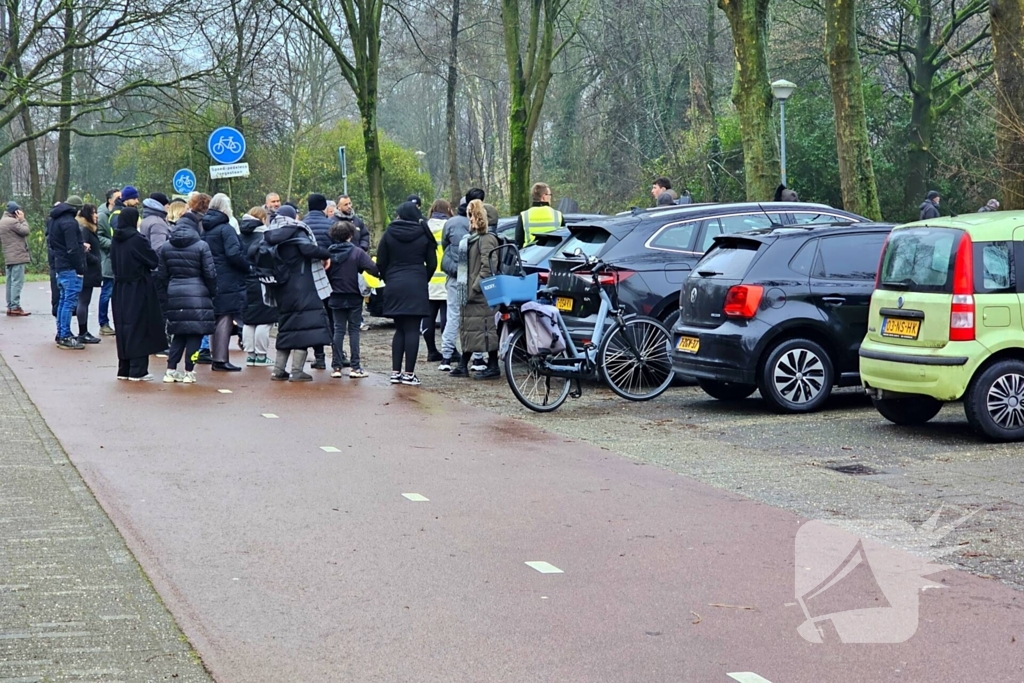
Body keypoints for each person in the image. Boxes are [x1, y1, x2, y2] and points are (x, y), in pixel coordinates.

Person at [262, 205, 332, 381]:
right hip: (302, 286)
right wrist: (326, 253)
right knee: (304, 327)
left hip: (281, 287)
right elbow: (308, 250)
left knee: (286, 327)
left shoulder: (271, 233)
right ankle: (296, 371)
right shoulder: (296, 231)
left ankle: (278, 370)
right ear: (293, 216)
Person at [377, 201, 437, 386]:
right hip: (416, 283)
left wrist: (390, 277)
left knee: (400, 329)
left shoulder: (388, 233)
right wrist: (422, 278)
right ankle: (409, 374)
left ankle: (395, 372)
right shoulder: (424, 233)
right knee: (412, 329)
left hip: (394, 284)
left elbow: (381, 262)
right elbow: (433, 263)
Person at [156, 210, 217, 384]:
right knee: (195, 335)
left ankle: (170, 370)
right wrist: (212, 292)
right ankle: (189, 371)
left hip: (175, 291)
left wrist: (168, 291)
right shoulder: (201, 245)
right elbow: (210, 273)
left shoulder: (167, 246)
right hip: (198, 293)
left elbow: (162, 274)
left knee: (178, 334)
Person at [110, 207, 165, 380]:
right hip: (138, 286)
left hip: (119, 287)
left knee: (123, 326)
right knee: (140, 325)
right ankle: (138, 369)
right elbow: (152, 260)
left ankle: (124, 368)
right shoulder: (136, 239)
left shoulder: (115, 239)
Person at [451, 200, 501, 379]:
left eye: (473, 215)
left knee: (485, 330)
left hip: (481, 294)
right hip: (474, 294)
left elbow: (488, 266)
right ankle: (463, 364)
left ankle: (493, 366)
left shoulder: (487, 239)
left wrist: (474, 287)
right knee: (473, 329)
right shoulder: (474, 238)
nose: (470, 218)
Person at [202, 193, 250, 372]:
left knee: (216, 317)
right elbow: (234, 254)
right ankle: (221, 359)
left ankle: (217, 357)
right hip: (227, 278)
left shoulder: (205, 228)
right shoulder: (226, 228)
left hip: (211, 277)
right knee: (226, 316)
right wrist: (247, 267)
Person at [327, 221, 379, 378]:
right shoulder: (357, 253)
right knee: (354, 331)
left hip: (334, 295)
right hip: (354, 295)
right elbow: (373, 269)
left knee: (338, 329)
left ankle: (336, 367)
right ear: (350, 235)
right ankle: (355, 368)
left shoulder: (328, 253)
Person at [439, 190, 483, 370]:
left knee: (453, 316)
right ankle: (479, 358)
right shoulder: (481, 223)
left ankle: (446, 357)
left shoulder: (450, 223)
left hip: (455, 277)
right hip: (473, 278)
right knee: (475, 318)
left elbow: (444, 245)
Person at [238, 207, 277, 367]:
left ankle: (250, 355)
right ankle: (261, 356)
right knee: (265, 320)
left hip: (244, 280)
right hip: (263, 279)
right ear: (262, 219)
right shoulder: (265, 236)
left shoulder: (240, 235)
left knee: (249, 320)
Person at [48, 195, 87, 349]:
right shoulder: (70, 223)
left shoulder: (54, 220)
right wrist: (80, 267)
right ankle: (65, 335)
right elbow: (72, 248)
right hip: (70, 267)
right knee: (69, 303)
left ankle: (61, 333)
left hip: (59, 265)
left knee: (63, 301)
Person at [304, 193, 335, 369]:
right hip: (329, 277)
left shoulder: (303, 225)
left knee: (315, 315)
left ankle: (320, 356)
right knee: (332, 315)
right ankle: (338, 355)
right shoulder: (331, 225)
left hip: (309, 277)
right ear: (324, 207)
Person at [423, 199, 451, 365]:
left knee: (428, 316)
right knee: (447, 316)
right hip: (447, 277)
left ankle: (431, 350)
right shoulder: (450, 226)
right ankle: (450, 349)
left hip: (428, 278)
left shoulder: (424, 227)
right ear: (448, 210)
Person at [75, 204, 104, 344]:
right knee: (83, 301)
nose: (96, 215)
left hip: (89, 270)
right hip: (88, 271)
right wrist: (95, 259)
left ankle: (83, 331)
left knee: (83, 301)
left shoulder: (87, 229)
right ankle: (83, 332)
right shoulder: (85, 230)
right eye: (94, 213)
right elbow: (83, 250)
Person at [0, 201, 31, 316]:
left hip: (8, 255)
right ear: (16, 211)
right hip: (17, 256)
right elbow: (25, 231)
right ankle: (15, 306)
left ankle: (10, 305)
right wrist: (22, 219)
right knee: (17, 282)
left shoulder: (2, 221)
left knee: (9, 282)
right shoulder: (13, 222)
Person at [96, 188, 119, 334]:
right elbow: (97, 237)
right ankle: (103, 323)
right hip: (108, 260)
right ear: (110, 200)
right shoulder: (102, 216)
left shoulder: (120, 214)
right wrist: (113, 244)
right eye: (117, 198)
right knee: (107, 292)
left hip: (120, 261)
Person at [514, 182, 564, 248]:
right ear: (543, 197)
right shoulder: (557, 215)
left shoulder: (524, 215)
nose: (550, 197)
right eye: (550, 195)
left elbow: (518, 242)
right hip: (551, 255)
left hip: (530, 255)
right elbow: (564, 239)